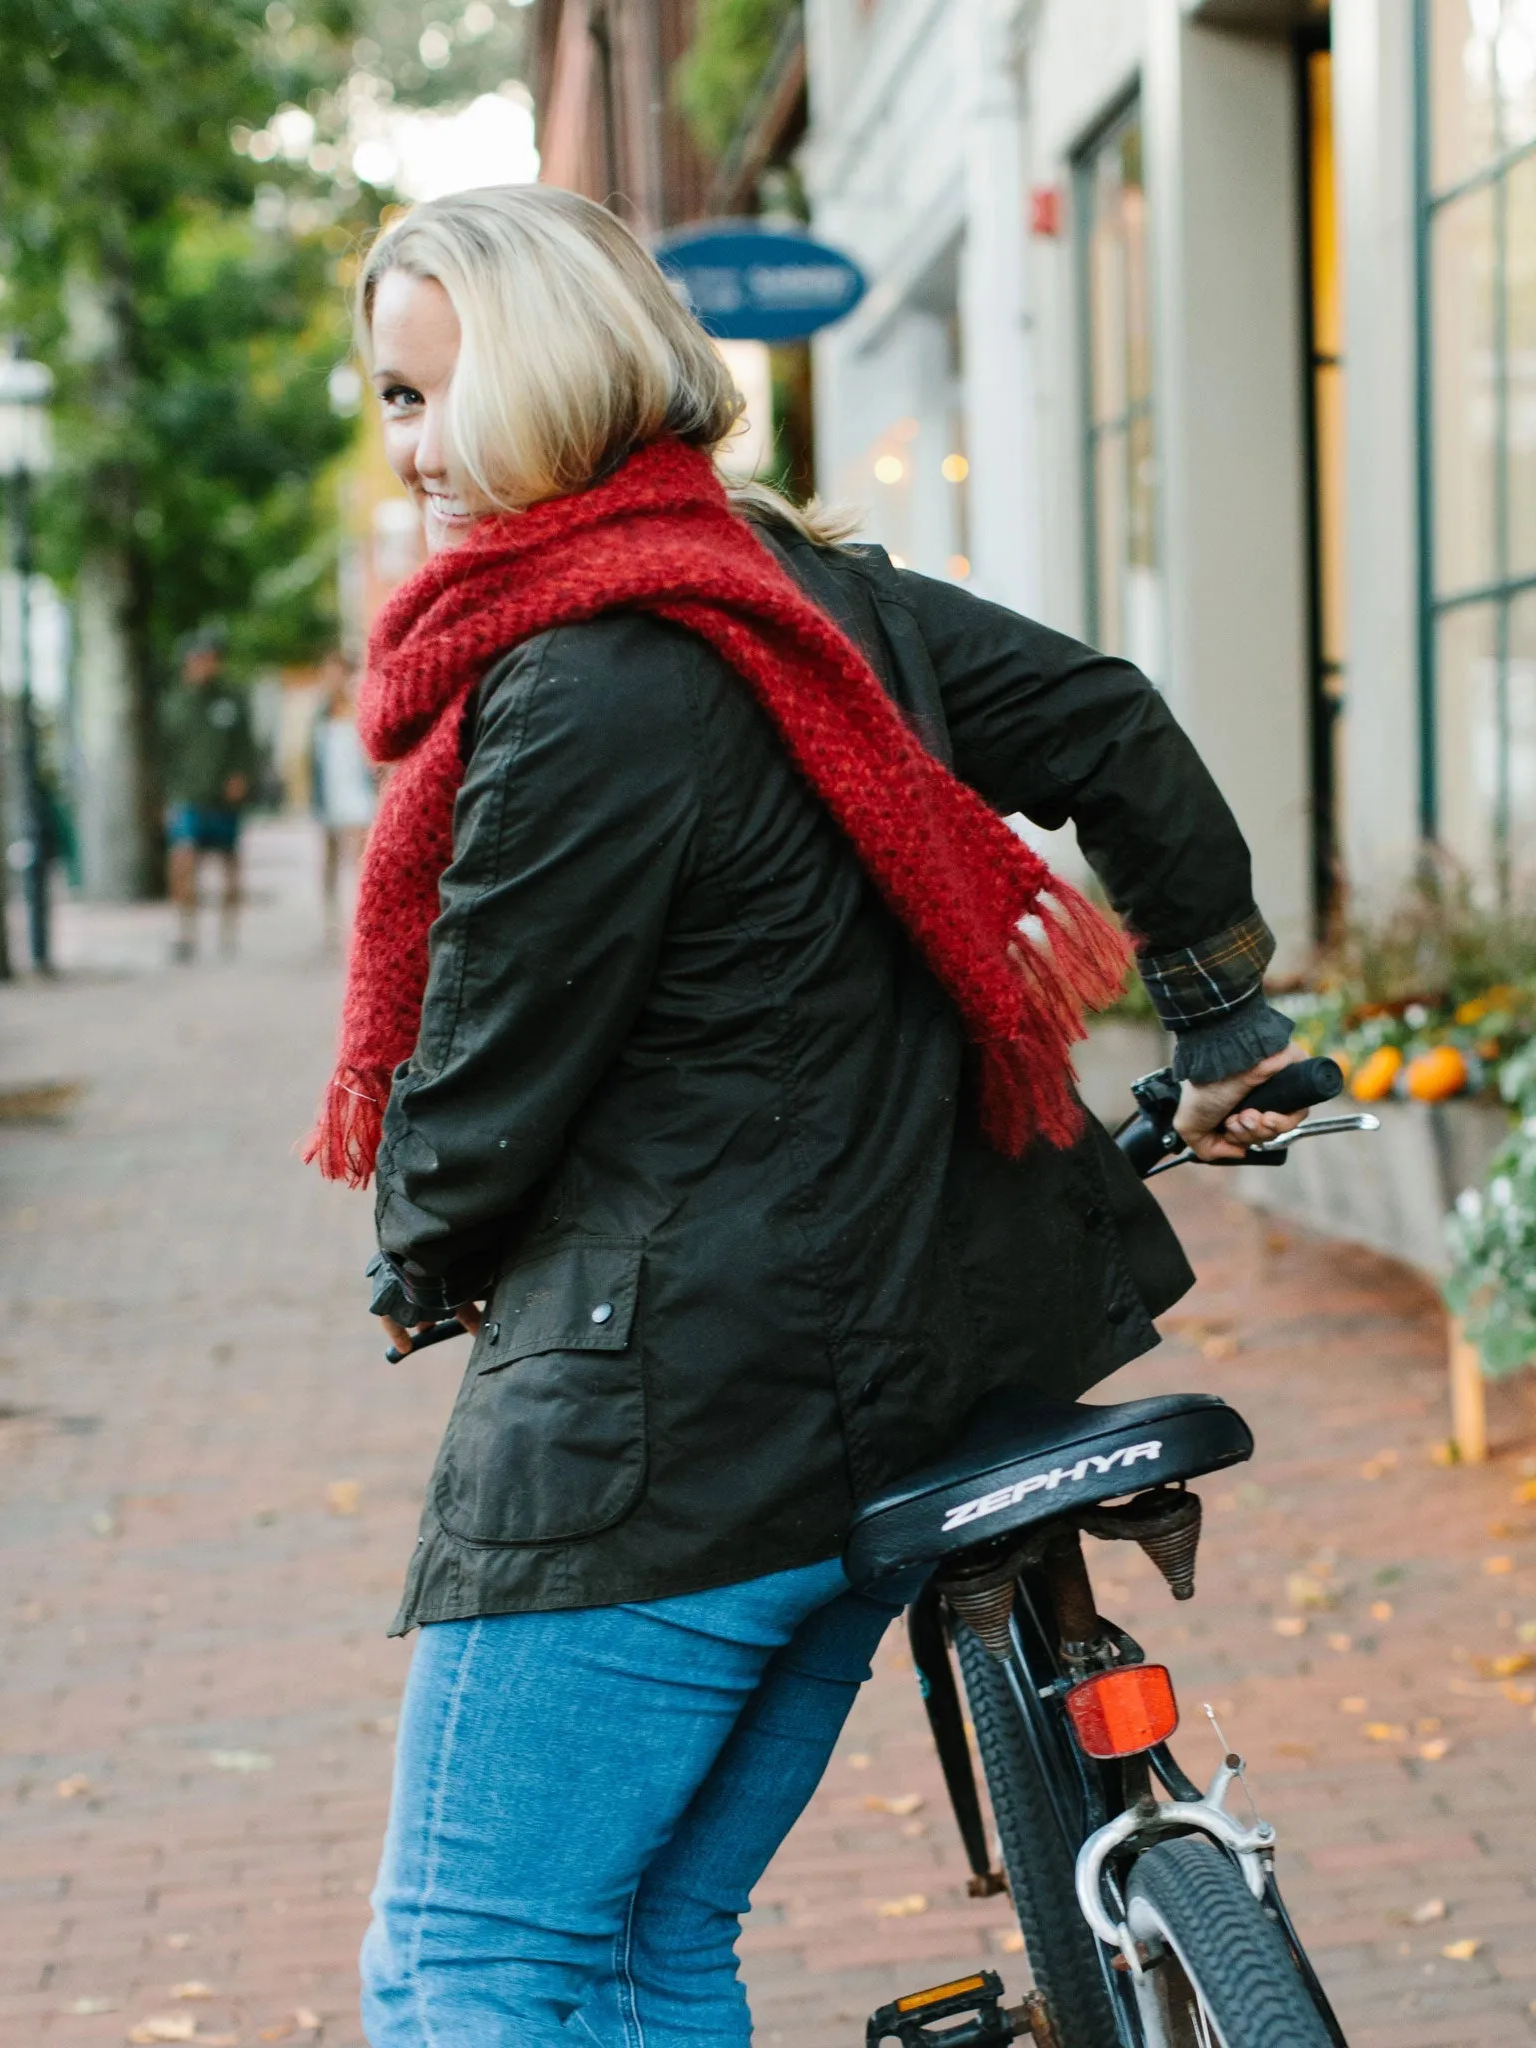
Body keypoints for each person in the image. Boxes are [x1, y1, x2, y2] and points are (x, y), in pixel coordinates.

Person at [306, 184, 1304, 2048]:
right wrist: (1222, 1011)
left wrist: (420, 1252)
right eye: (391, 397)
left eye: (452, 393)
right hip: (895, 1396)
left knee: (473, 1959)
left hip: (668, 1434)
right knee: (658, 1938)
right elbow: (1109, 722)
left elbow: (495, 1071)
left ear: (574, 382)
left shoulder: (585, 677)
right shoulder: (815, 600)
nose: (421, 446)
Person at [162, 625, 258, 961]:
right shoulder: (174, 704)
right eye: (202, 658)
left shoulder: (232, 700)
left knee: (229, 864)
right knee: (183, 860)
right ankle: (185, 930)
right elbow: (163, 753)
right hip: (188, 797)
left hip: (225, 799)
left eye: (213, 658)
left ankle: (228, 932)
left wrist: (242, 776)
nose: (208, 664)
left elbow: (247, 745)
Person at [309, 649, 376, 944]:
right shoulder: (320, 714)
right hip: (330, 793)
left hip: (359, 793)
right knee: (330, 860)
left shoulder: (361, 711)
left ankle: (363, 920)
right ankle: (330, 921)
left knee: (360, 858)